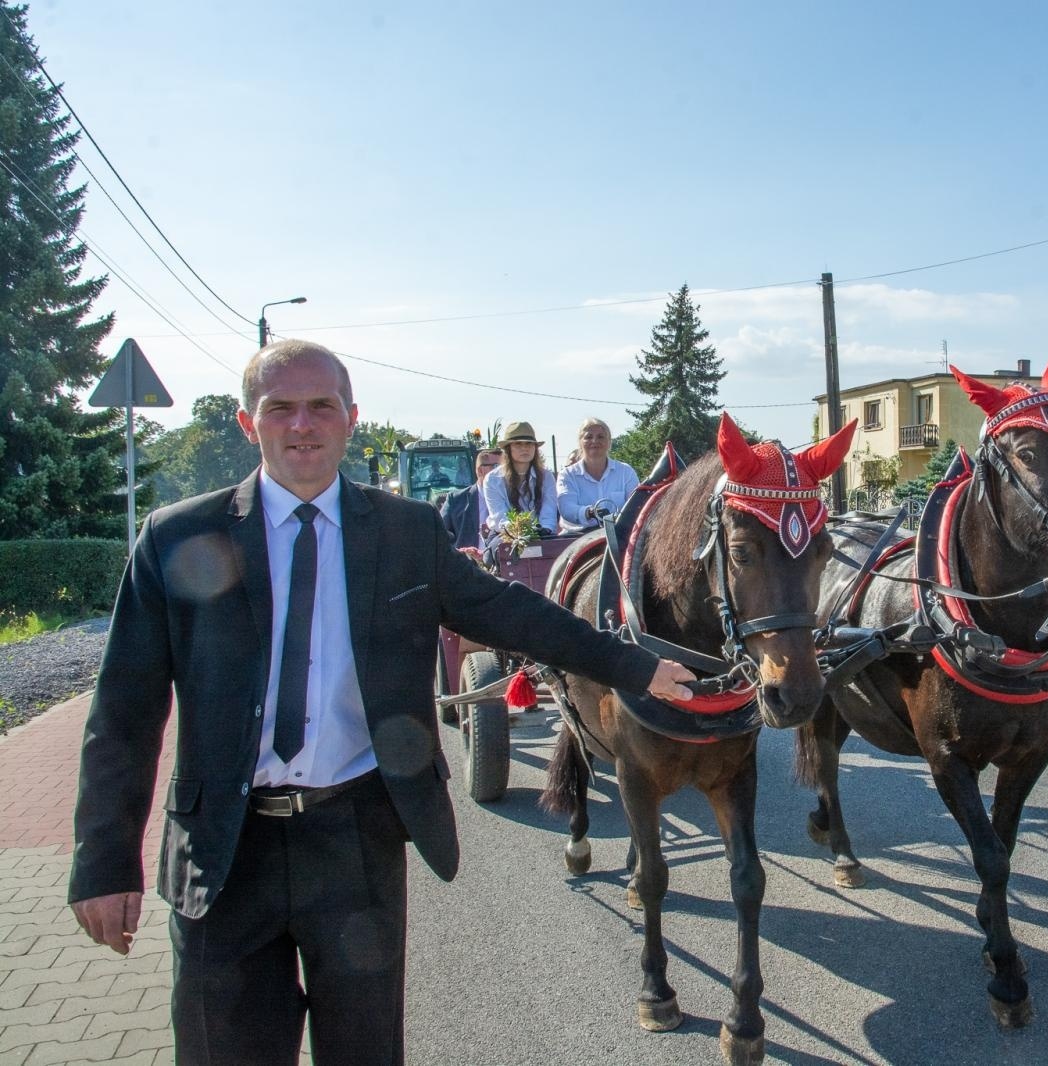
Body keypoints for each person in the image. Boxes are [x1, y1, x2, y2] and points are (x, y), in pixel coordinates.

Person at [67, 341, 694, 1066]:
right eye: (281, 408)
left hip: (355, 841)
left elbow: (515, 615)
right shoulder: (176, 539)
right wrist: (105, 862)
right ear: (250, 423)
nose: (302, 425)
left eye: (321, 407)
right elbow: (122, 713)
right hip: (223, 855)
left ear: (351, 419)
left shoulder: (405, 535)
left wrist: (635, 666)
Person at [556, 417, 639, 532]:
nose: (594, 441)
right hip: (576, 536)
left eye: (600, 437)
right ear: (580, 443)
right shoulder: (567, 475)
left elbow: (637, 506)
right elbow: (567, 508)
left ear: (609, 443)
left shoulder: (626, 472)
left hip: (619, 533)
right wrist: (590, 512)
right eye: (588, 437)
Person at [484, 419, 558, 534]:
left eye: (529, 443)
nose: (525, 448)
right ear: (508, 449)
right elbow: (500, 517)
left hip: (542, 533)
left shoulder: (547, 477)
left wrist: (544, 530)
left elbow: (549, 512)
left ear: (535, 448)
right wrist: (521, 532)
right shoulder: (492, 479)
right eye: (518, 443)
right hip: (504, 534)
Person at [439, 445, 501, 551]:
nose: (502, 472)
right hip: (467, 565)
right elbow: (439, 536)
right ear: (480, 471)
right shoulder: (456, 500)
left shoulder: (513, 498)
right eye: (496, 467)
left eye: (505, 467)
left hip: (505, 565)